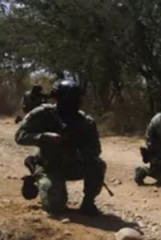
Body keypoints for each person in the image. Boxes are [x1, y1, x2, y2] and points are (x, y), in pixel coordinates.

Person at [15, 79, 106, 216]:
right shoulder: (43, 113)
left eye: (77, 99)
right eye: (70, 100)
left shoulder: (85, 121)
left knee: (98, 165)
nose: (75, 103)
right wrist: (44, 137)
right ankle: (36, 173)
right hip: (49, 166)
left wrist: (79, 144)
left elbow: (96, 150)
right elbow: (20, 136)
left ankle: (88, 203)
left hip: (72, 165)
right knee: (55, 208)